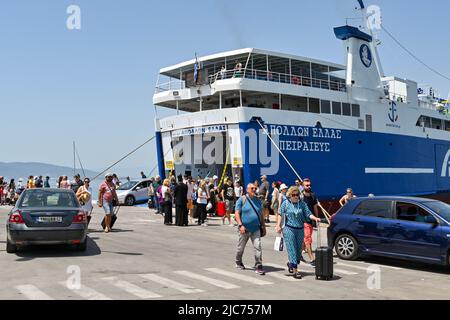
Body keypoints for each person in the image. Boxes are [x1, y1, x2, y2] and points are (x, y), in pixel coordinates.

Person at [276, 186, 321, 279]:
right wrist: (278, 225)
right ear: (290, 195)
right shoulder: (286, 203)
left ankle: (291, 263)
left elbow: (308, 214)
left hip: (300, 229)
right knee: (292, 249)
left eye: (297, 195)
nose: (296, 196)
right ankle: (296, 271)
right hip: (289, 229)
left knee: (298, 252)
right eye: (294, 195)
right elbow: (280, 213)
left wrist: (315, 218)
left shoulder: (302, 204)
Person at [234, 183, 266, 275]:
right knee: (240, 248)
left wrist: (263, 226)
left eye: (255, 188)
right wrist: (240, 225)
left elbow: (261, 215)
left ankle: (259, 266)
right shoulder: (242, 199)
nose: (254, 190)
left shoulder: (258, 200)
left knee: (258, 247)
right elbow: (237, 213)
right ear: (247, 189)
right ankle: (238, 261)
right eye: (252, 188)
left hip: (256, 228)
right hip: (244, 228)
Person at [301, 178, 320, 266]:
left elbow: (315, 207)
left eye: (309, 185)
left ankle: (298, 255)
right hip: (302, 220)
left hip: (310, 220)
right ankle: (312, 259)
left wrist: (316, 218)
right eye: (307, 185)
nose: (309, 186)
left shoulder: (313, 195)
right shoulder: (300, 196)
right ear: (302, 186)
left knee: (304, 239)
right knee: (308, 239)